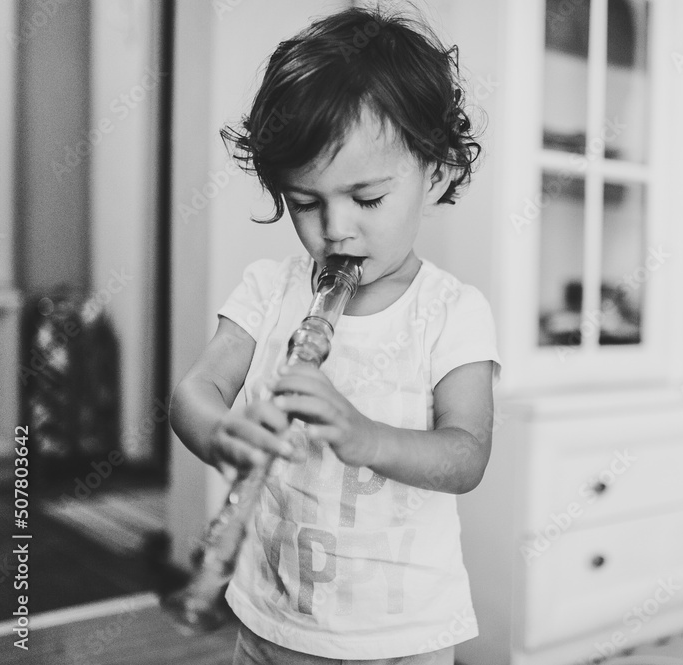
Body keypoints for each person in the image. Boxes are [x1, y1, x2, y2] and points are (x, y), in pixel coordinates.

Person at [168, 7, 500, 664]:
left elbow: (466, 456)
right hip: (271, 620)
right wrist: (219, 432)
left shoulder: (453, 311)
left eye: (367, 199)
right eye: (307, 201)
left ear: (435, 173)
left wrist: (364, 436)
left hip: (401, 639)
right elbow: (195, 390)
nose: (335, 229)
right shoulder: (270, 289)